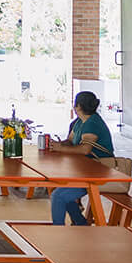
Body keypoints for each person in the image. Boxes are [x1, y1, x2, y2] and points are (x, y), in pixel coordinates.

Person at [49, 91, 115, 226]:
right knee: (61, 194)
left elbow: (85, 149)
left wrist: (59, 148)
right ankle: (81, 224)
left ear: (78, 106)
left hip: (98, 173)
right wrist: (57, 144)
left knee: (58, 196)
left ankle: (57, 232)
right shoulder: (80, 121)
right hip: (86, 170)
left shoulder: (93, 123)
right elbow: (70, 141)